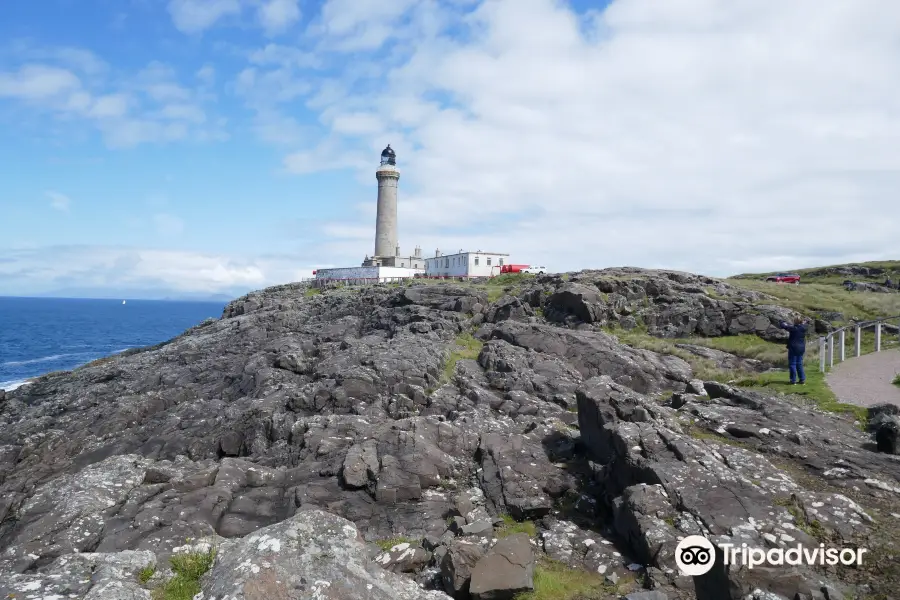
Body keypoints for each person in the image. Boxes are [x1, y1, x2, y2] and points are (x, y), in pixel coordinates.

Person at [779, 316, 808, 384]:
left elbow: (783, 325)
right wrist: (805, 321)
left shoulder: (793, 328)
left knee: (792, 364)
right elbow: (805, 322)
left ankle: (793, 380)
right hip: (801, 348)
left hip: (793, 348)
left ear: (795, 321)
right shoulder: (804, 327)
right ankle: (802, 379)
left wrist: (781, 321)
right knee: (799, 364)